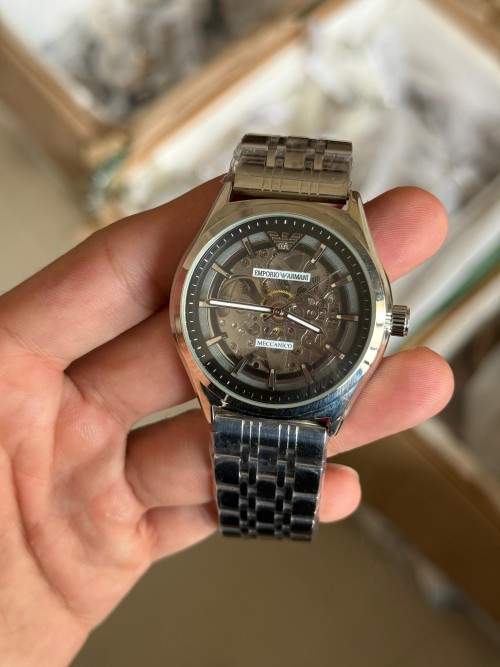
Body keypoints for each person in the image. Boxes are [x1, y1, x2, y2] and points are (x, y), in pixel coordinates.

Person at [0, 178, 453, 665]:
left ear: (387, 321)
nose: (277, 309)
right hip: (235, 382)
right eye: (269, 305)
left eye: (284, 308)